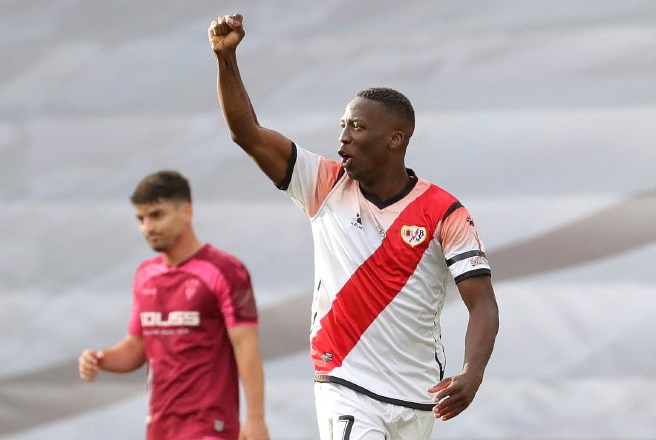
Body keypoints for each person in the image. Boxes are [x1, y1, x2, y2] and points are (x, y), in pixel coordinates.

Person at [208, 13, 499, 440]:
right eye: (342, 125)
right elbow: (246, 133)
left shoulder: (444, 211)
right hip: (345, 383)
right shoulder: (324, 184)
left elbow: (483, 303)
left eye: (357, 126)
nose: (343, 137)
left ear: (395, 138)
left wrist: (472, 373)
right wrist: (226, 57)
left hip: (418, 397)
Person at [78, 170, 270, 440]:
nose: (148, 227)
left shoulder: (226, 270)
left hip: (209, 426)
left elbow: (246, 346)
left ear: (187, 212)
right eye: (141, 219)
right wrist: (101, 359)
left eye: (157, 215)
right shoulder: (145, 275)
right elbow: (135, 347)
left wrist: (256, 418)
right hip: (160, 429)